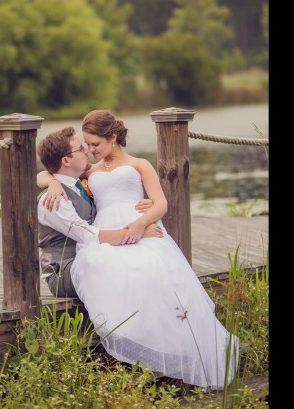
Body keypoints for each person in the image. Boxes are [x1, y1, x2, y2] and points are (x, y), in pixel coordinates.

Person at [38, 110, 239, 391]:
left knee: (155, 273)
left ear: (113, 137)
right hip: (106, 232)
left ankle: (176, 351)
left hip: (139, 226)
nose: (91, 150)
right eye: (86, 145)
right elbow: (48, 171)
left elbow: (161, 204)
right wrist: (54, 181)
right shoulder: (89, 170)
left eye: (95, 144)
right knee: (124, 274)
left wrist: (141, 224)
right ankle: (139, 345)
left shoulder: (139, 164)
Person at [36, 126, 161, 304]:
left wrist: (146, 204)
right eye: (80, 148)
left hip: (89, 255)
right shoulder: (54, 200)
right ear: (66, 160)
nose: (87, 151)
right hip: (64, 271)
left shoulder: (77, 186)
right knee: (120, 267)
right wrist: (138, 232)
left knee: (144, 261)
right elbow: (87, 235)